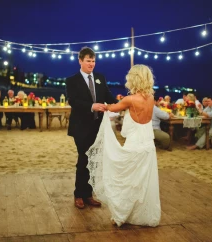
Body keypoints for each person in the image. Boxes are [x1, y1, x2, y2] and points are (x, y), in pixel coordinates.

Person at [86, 64, 161, 227]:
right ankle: (140, 214)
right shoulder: (151, 98)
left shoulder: (130, 99)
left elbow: (112, 108)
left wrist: (102, 105)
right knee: (142, 182)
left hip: (134, 144)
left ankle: (123, 214)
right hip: (148, 145)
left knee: (126, 179)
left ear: (134, 79)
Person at [66, 47, 116, 209]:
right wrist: (92, 106)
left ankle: (88, 194)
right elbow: (73, 101)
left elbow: (108, 96)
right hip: (80, 127)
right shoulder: (72, 80)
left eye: (93, 61)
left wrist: (121, 102)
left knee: (93, 160)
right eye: (88, 61)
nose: (91, 64)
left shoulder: (100, 78)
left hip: (97, 127)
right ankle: (78, 195)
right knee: (83, 159)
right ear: (80, 61)